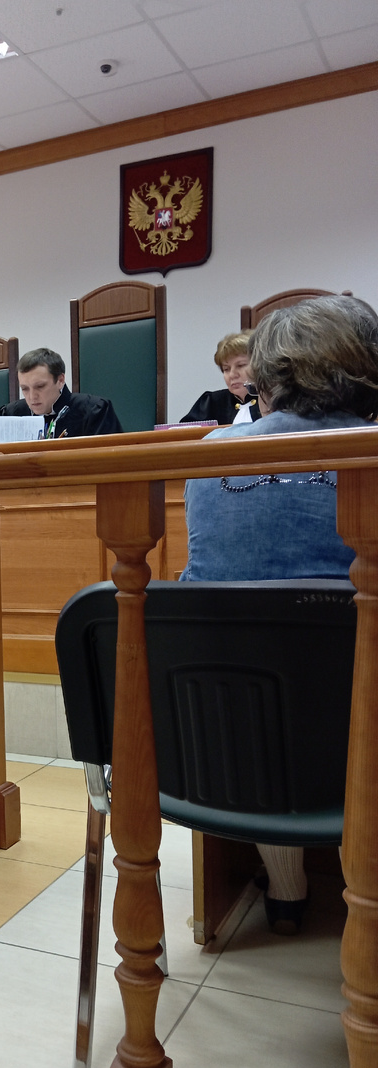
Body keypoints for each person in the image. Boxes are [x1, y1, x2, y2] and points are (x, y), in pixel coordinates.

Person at [182, 295, 378, 932]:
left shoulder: (210, 455)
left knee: (271, 699)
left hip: (227, 741)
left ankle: (288, 892)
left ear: (263, 383)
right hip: (359, 726)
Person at [0, 347, 123, 438]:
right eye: (25, 388)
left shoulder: (94, 411)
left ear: (60, 380)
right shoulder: (10, 415)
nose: (32, 397)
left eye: (40, 386)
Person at [180, 331, 260, 425]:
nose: (232, 375)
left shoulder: (271, 400)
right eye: (226, 369)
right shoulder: (211, 403)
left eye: (240, 365)